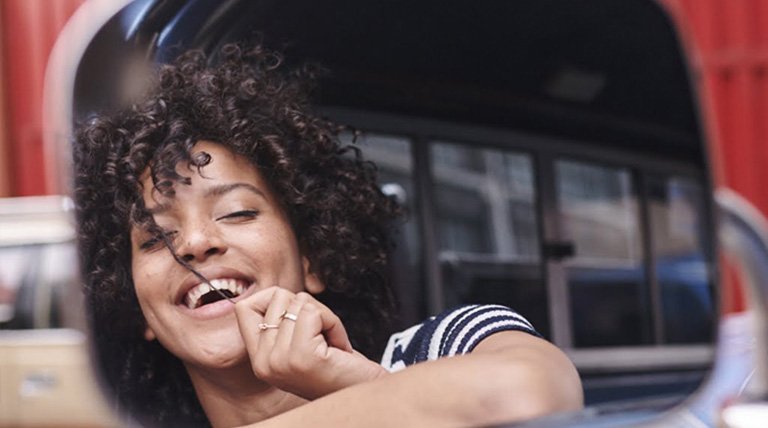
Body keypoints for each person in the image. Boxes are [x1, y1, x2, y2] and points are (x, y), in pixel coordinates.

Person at [73, 44, 583, 428]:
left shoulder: (445, 346)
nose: (194, 243)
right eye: (156, 238)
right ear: (135, 307)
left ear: (313, 257)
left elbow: (526, 395)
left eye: (236, 212)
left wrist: (353, 385)